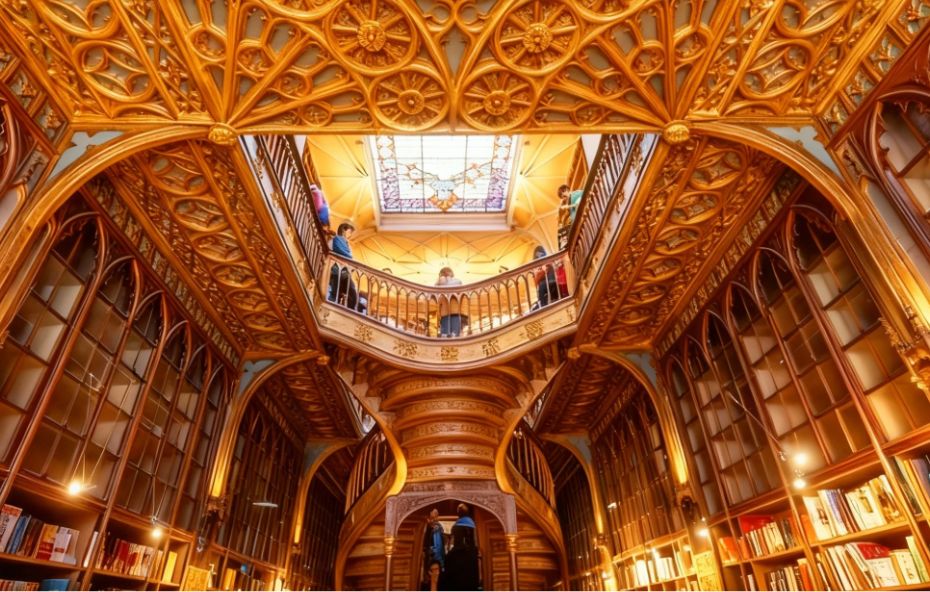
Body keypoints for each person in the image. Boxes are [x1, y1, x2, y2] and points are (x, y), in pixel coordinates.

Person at [443, 503, 480, 591]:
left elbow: (454, 543)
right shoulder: (473, 524)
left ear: (459, 513)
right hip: (471, 557)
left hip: (458, 557)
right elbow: (475, 543)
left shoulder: (456, 526)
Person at [328, 222, 363, 311]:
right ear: (344, 230)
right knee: (335, 294)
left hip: (345, 272)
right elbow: (332, 252)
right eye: (350, 232)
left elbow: (350, 257)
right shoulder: (334, 240)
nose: (350, 235)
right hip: (336, 270)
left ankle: (350, 311)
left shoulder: (348, 245)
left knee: (352, 293)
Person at [436, 267, 466, 337]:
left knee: (449, 335)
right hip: (449, 313)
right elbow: (437, 298)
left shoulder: (456, 281)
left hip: (452, 313)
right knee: (450, 335)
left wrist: (441, 281)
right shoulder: (457, 281)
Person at [422, 509, 445, 579]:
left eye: (431, 517)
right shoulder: (432, 527)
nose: (430, 519)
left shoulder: (436, 528)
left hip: (433, 559)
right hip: (432, 557)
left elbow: (438, 546)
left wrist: (438, 561)